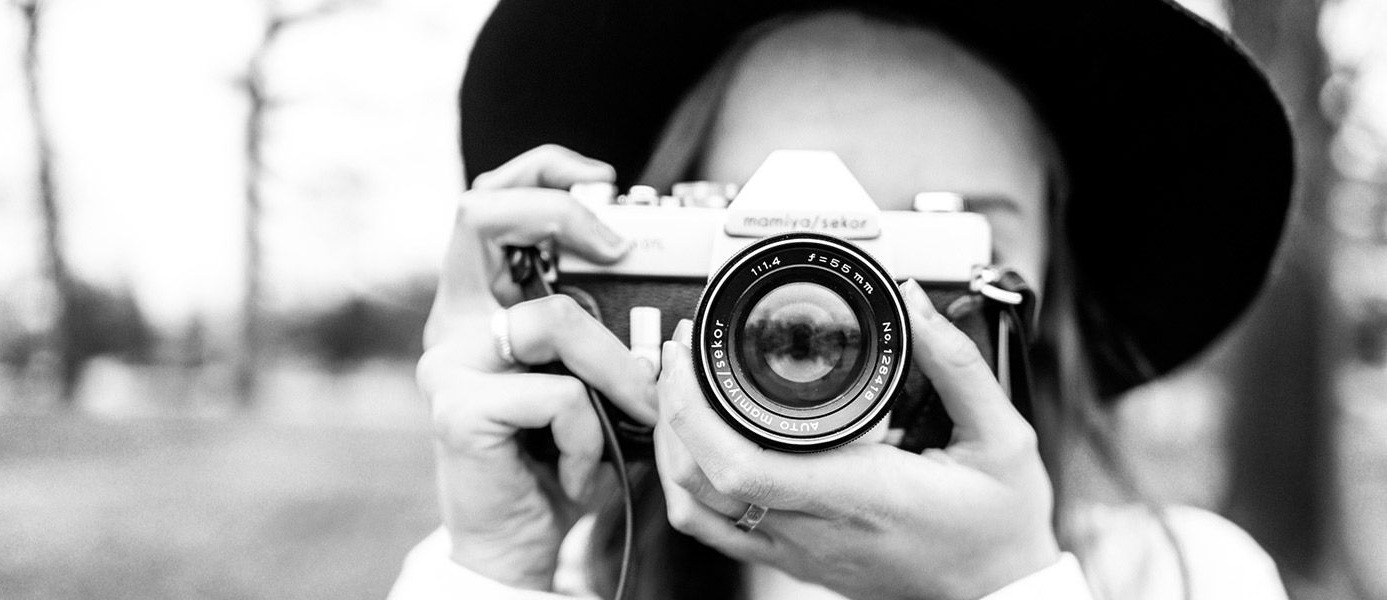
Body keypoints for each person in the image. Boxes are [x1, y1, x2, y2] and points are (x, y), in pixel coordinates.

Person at [395, 0, 1296, 598]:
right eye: (789, 238)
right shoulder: (560, 576)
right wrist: (495, 568)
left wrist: (1008, 584)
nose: (851, 306)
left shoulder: (1184, 577)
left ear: (1037, 291)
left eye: (939, 233)